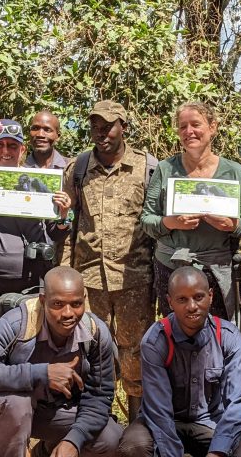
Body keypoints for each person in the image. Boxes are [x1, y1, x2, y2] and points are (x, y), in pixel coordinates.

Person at [58, 99, 156, 420]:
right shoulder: (79, 168)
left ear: (123, 127)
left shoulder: (147, 168)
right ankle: (100, 419)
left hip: (134, 281)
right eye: (96, 128)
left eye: (108, 127)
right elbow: (67, 223)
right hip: (89, 281)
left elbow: (157, 225)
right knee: (92, 350)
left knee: (135, 350)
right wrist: (64, 275)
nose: (101, 134)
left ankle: (138, 424)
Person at [0, 266, 123, 457]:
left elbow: (99, 397)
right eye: (57, 304)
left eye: (76, 304)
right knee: (17, 404)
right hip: (5, 413)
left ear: (84, 301)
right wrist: (41, 374)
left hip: (56, 412)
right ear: (43, 300)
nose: (68, 313)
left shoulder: (95, 333)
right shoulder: (16, 324)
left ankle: (45, 452)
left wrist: (74, 440)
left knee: (110, 437)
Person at [117, 266, 241, 457]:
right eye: (182, 300)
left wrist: (218, 452)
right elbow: (159, 412)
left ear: (210, 296)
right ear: (170, 302)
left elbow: (238, 402)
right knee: (133, 446)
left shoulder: (228, 338)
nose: (192, 306)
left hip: (211, 423)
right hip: (164, 424)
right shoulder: (156, 340)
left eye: (198, 297)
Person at [0, 119, 72, 327]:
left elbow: (56, 233)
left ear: (23, 150)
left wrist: (63, 215)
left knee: (35, 338)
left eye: (13, 146)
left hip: (36, 281)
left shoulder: (39, 182)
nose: (6, 151)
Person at [140, 101, 241, 319]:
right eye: (183, 127)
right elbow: (146, 220)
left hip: (217, 270)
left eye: (195, 124)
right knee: (175, 337)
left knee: (218, 336)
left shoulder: (233, 172)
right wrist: (171, 223)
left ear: (213, 127)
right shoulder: (165, 169)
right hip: (171, 267)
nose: (189, 131)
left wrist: (232, 225)